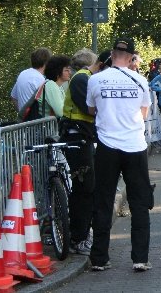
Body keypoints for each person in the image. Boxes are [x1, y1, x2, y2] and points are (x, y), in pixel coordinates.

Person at [87, 37, 153, 271]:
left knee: (103, 201)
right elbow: (144, 113)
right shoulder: (141, 81)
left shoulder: (95, 80)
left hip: (107, 146)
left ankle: (99, 259)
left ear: (111, 55)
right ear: (132, 57)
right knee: (139, 203)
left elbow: (91, 109)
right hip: (134, 146)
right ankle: (140, 258)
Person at [60, 49, 111, 256]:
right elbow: (91, 108)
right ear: (100, 65)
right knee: (84, 188)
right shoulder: (82, 79)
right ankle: (77, 238)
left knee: (89, 187)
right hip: (76, 137)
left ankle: (81, 234)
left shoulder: (87, 78)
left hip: (84, 137)